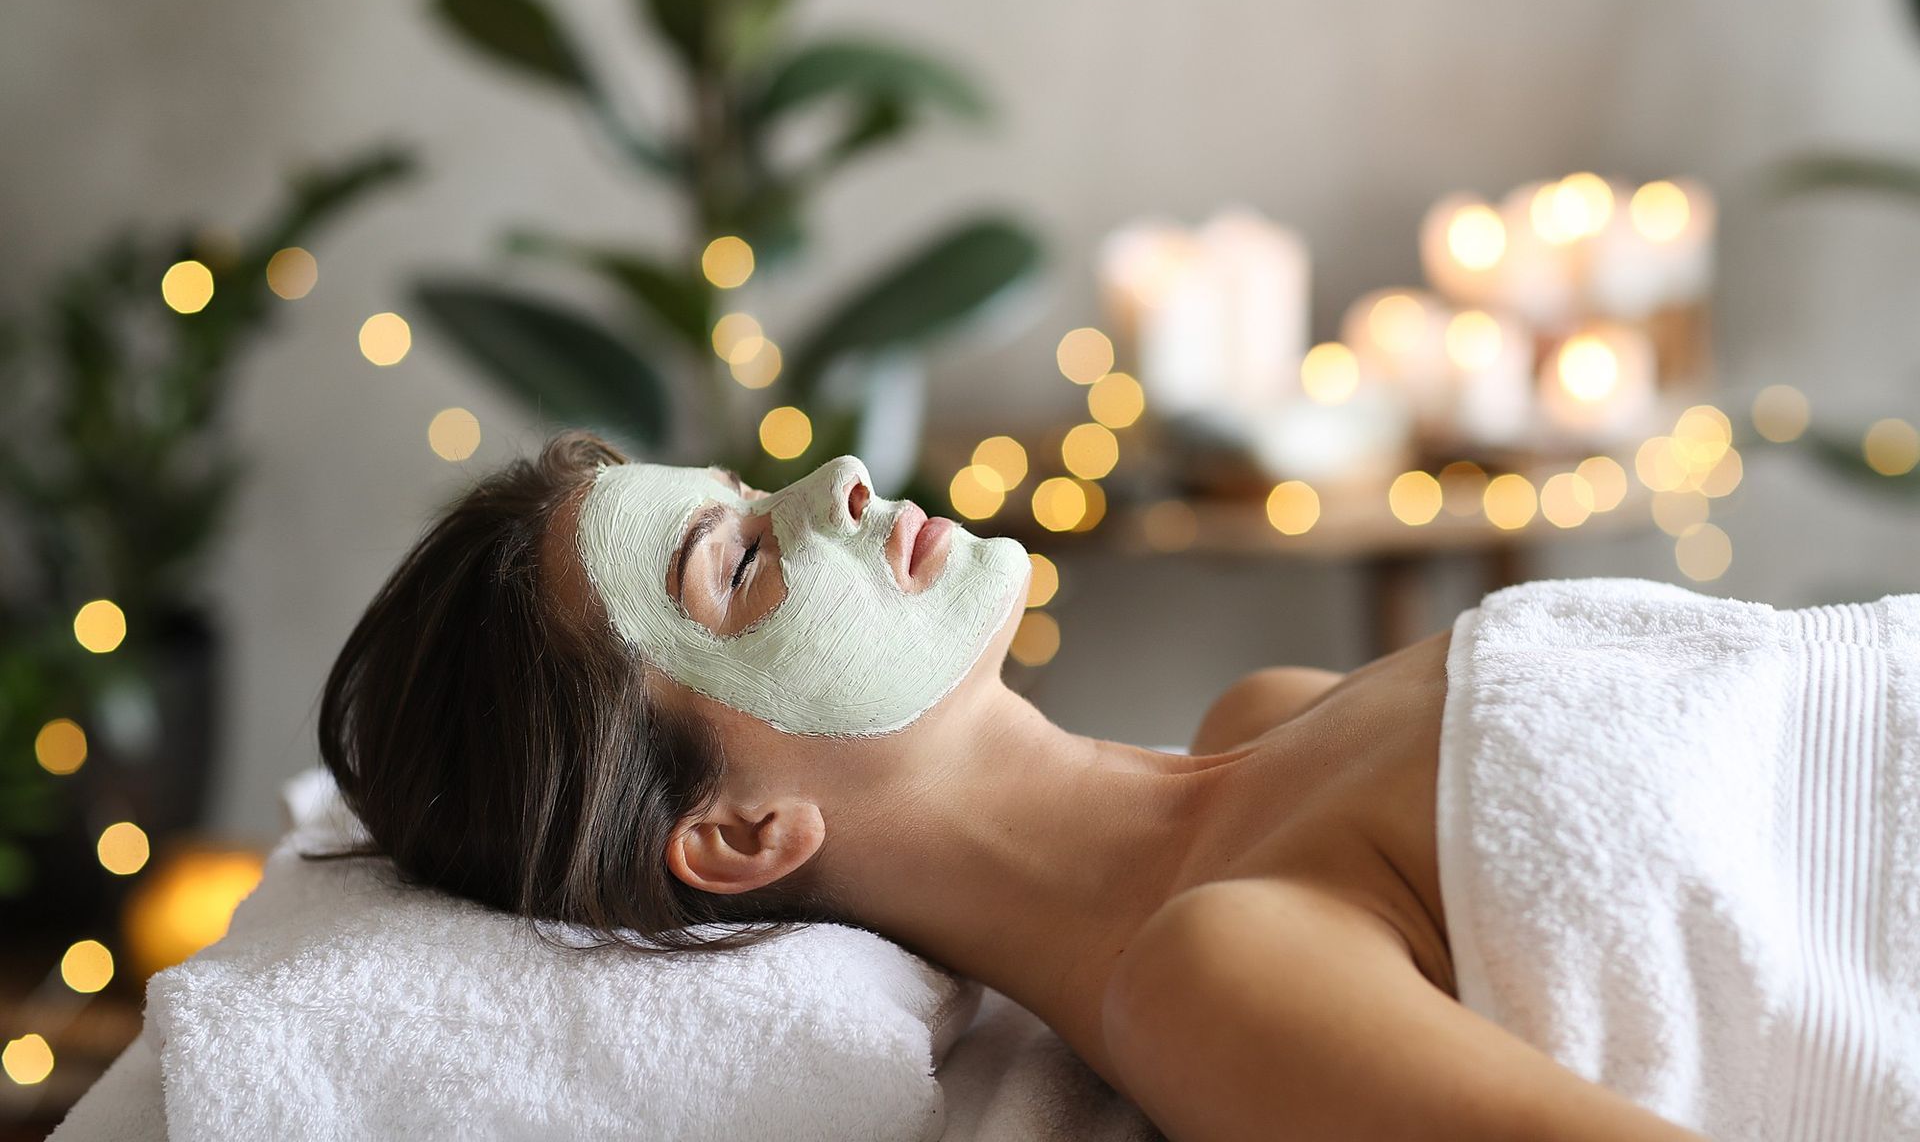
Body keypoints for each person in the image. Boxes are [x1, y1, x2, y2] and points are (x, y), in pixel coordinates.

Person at [317, 430, 1709, 1140]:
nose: (842, 482)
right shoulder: (1216, 973)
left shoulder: (1273, 716)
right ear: (742, 833)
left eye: (757, 487)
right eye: (737, 563)